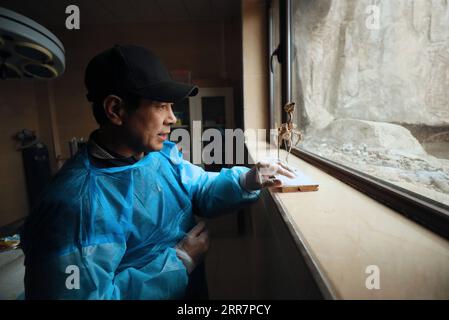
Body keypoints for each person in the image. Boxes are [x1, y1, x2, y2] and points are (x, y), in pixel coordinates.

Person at [21, 45, 295, 299]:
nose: (172, 118)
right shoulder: (76, 206)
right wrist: (178, 263)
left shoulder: (159, 155)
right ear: (116, 109)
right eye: (160, 105)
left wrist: (249, 179)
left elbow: (198, 186)